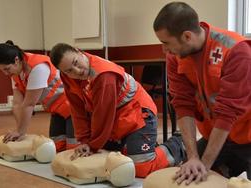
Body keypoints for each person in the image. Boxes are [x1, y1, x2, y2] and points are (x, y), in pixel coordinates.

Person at [49, 43, 186, 177]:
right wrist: (84, 140)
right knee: (112, 157)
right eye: (69, 70)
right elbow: (77, 109)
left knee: (141, 168)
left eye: (76, 62)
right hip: (116, 118)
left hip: (137, 114)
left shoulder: (103, 75)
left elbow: (102, 116)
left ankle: (179, 143)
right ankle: (139, 146)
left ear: (78, 51)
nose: (77, 71)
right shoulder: (67, 77)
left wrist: (93, 145)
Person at [153, 1, 251, 185]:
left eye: (165, 43)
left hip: (247, 135)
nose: (164, 49)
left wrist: (204, 166)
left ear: (187, 36)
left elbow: (227, 113)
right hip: (215, 134)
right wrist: (193, 158)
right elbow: (182, 104)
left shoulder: (236, 51)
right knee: (186, 176)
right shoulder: (175, 56)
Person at [0, 40, 75, 152]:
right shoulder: (15, 73)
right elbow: (17, 104)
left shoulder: (38, 67)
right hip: (58, 112)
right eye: (1, 70)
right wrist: (19, 130)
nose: (6, 73)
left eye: (6, 69)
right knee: (57, 147)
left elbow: (29, 104)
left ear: (16, 60)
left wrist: (21, 131)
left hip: (74, 109)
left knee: (73, 148)